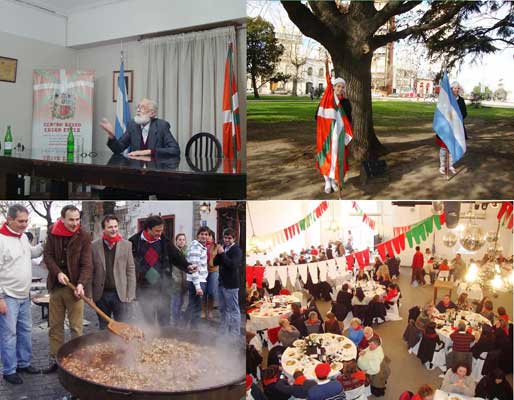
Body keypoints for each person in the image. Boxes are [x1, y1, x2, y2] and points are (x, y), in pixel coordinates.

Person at [43, 205, 93, 374]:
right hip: (57, 287)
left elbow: (87, 264)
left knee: (76, 327)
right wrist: (57, 273)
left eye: (77, 219)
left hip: (75, 289)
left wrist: (81, 283)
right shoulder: (52, 231)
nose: (75, 223)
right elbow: (47, 255)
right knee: (55, 326)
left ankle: (77, 360)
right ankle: (55, 360)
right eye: (71, 219)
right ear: (62, 219)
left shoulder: (84, 236)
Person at [0, 205, 44, 384]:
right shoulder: (1, 240)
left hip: (24, 296)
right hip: (8, 297)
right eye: (20, 221)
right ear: (9, 220)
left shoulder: (23, 237)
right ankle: (9, 370)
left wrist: (45, 244)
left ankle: (24, 363)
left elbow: (32, 253)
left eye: (26, 221)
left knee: (25, 331)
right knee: (9, 334)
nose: (24, 225)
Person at [129, 215, 194, 326]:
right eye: (157, 231)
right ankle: (149, 341)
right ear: (148, 229)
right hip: (144, 286)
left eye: (161, 230)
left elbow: (176, 255)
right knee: (148, 320)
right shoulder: (134, 242)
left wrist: (187, 266)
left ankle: (165, 341)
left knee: (164, 319)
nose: (160, 233)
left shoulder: (164, 241)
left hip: (163, 286)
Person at [315, 58, 353, 194]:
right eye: (338, 86)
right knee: (326, 158)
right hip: (326, 135)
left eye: (342, 87)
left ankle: (335, 180)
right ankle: (327, 181)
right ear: (334, 87)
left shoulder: (346, 103)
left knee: (337, 158)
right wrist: (327, 125)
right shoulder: (326, 101)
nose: (340, 89)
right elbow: (317, 116)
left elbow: (348, 119)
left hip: (340, 135)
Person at [91, 215, 135, 329]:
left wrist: (130, 294)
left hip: (120, 294)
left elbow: (130, 270)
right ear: (103, 229)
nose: (114, 229)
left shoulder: (127, 245)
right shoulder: (94, 246)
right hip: (101, 295)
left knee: (122, 327)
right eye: (110, 227)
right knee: (104, 327)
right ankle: (106, 347)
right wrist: (89, 294)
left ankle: (122, 347)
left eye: (116, 226)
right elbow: (90, 271)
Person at [100, 98, 180, 158]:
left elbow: (175, 150)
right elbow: (118, 149)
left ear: (152, 113)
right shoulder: (132, 125)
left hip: (155, 170)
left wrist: (147, 152)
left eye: (142, 108)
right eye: (137, 107)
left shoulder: (161, 126)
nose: (138, 110)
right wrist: (112, 136)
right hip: (136, 171)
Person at [213, 228, 242, 337]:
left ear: (234, 238)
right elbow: (215, 263)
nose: (227, 240)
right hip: (222, 284)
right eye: (225, 237)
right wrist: (219, 253)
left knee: (233, 310)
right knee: (223, 309)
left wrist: (223, 254)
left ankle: (234, 334)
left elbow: (232, 265)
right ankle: (223, 331)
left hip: (231, 285)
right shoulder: (224, 248)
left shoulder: (236, 250)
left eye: (229, 238)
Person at [436, 81, 467, 175]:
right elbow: (442, 110)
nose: (456, 90)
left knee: (453, 147)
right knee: (444, 148)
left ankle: (451, 165)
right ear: (451, 89)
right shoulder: (447, 99)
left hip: (457, 127)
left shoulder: (461, 100)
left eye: (457, 88)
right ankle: (442, 166)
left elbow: (465, 113)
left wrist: (457, 118)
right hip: (447, 127)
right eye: (454, 88)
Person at [186, 226, 210, 328]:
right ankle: (193, 330)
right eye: (202, 234)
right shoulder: (196, 248)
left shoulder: (200, 247)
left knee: (193, 306)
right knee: (196, 307)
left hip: (198, 281)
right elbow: (194, 269)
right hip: (197, 281)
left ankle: (186, 327)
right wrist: (198, 287)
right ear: (198, 235)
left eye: (206, 234)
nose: (204, 236)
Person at [170, 233, 188, 322]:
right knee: (175, 304)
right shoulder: (173, 253)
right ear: (176, 241)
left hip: (184, 283)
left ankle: (179, 323)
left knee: (182, 304)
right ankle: (174, 323)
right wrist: (174, 279)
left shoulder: (186, 252)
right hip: (175, 283)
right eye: (179, 239)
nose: (182, 241)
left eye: (183, 240)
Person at [204, 228, 218, 320]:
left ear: (213, 237)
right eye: (206, 235)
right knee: (203, 292)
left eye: (209, 235)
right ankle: (203, 310)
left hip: (213, 271)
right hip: (203, 271)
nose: (207, 237)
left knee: (212, 292)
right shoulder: (202, 246)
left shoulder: (216, 247)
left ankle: (210, 310)